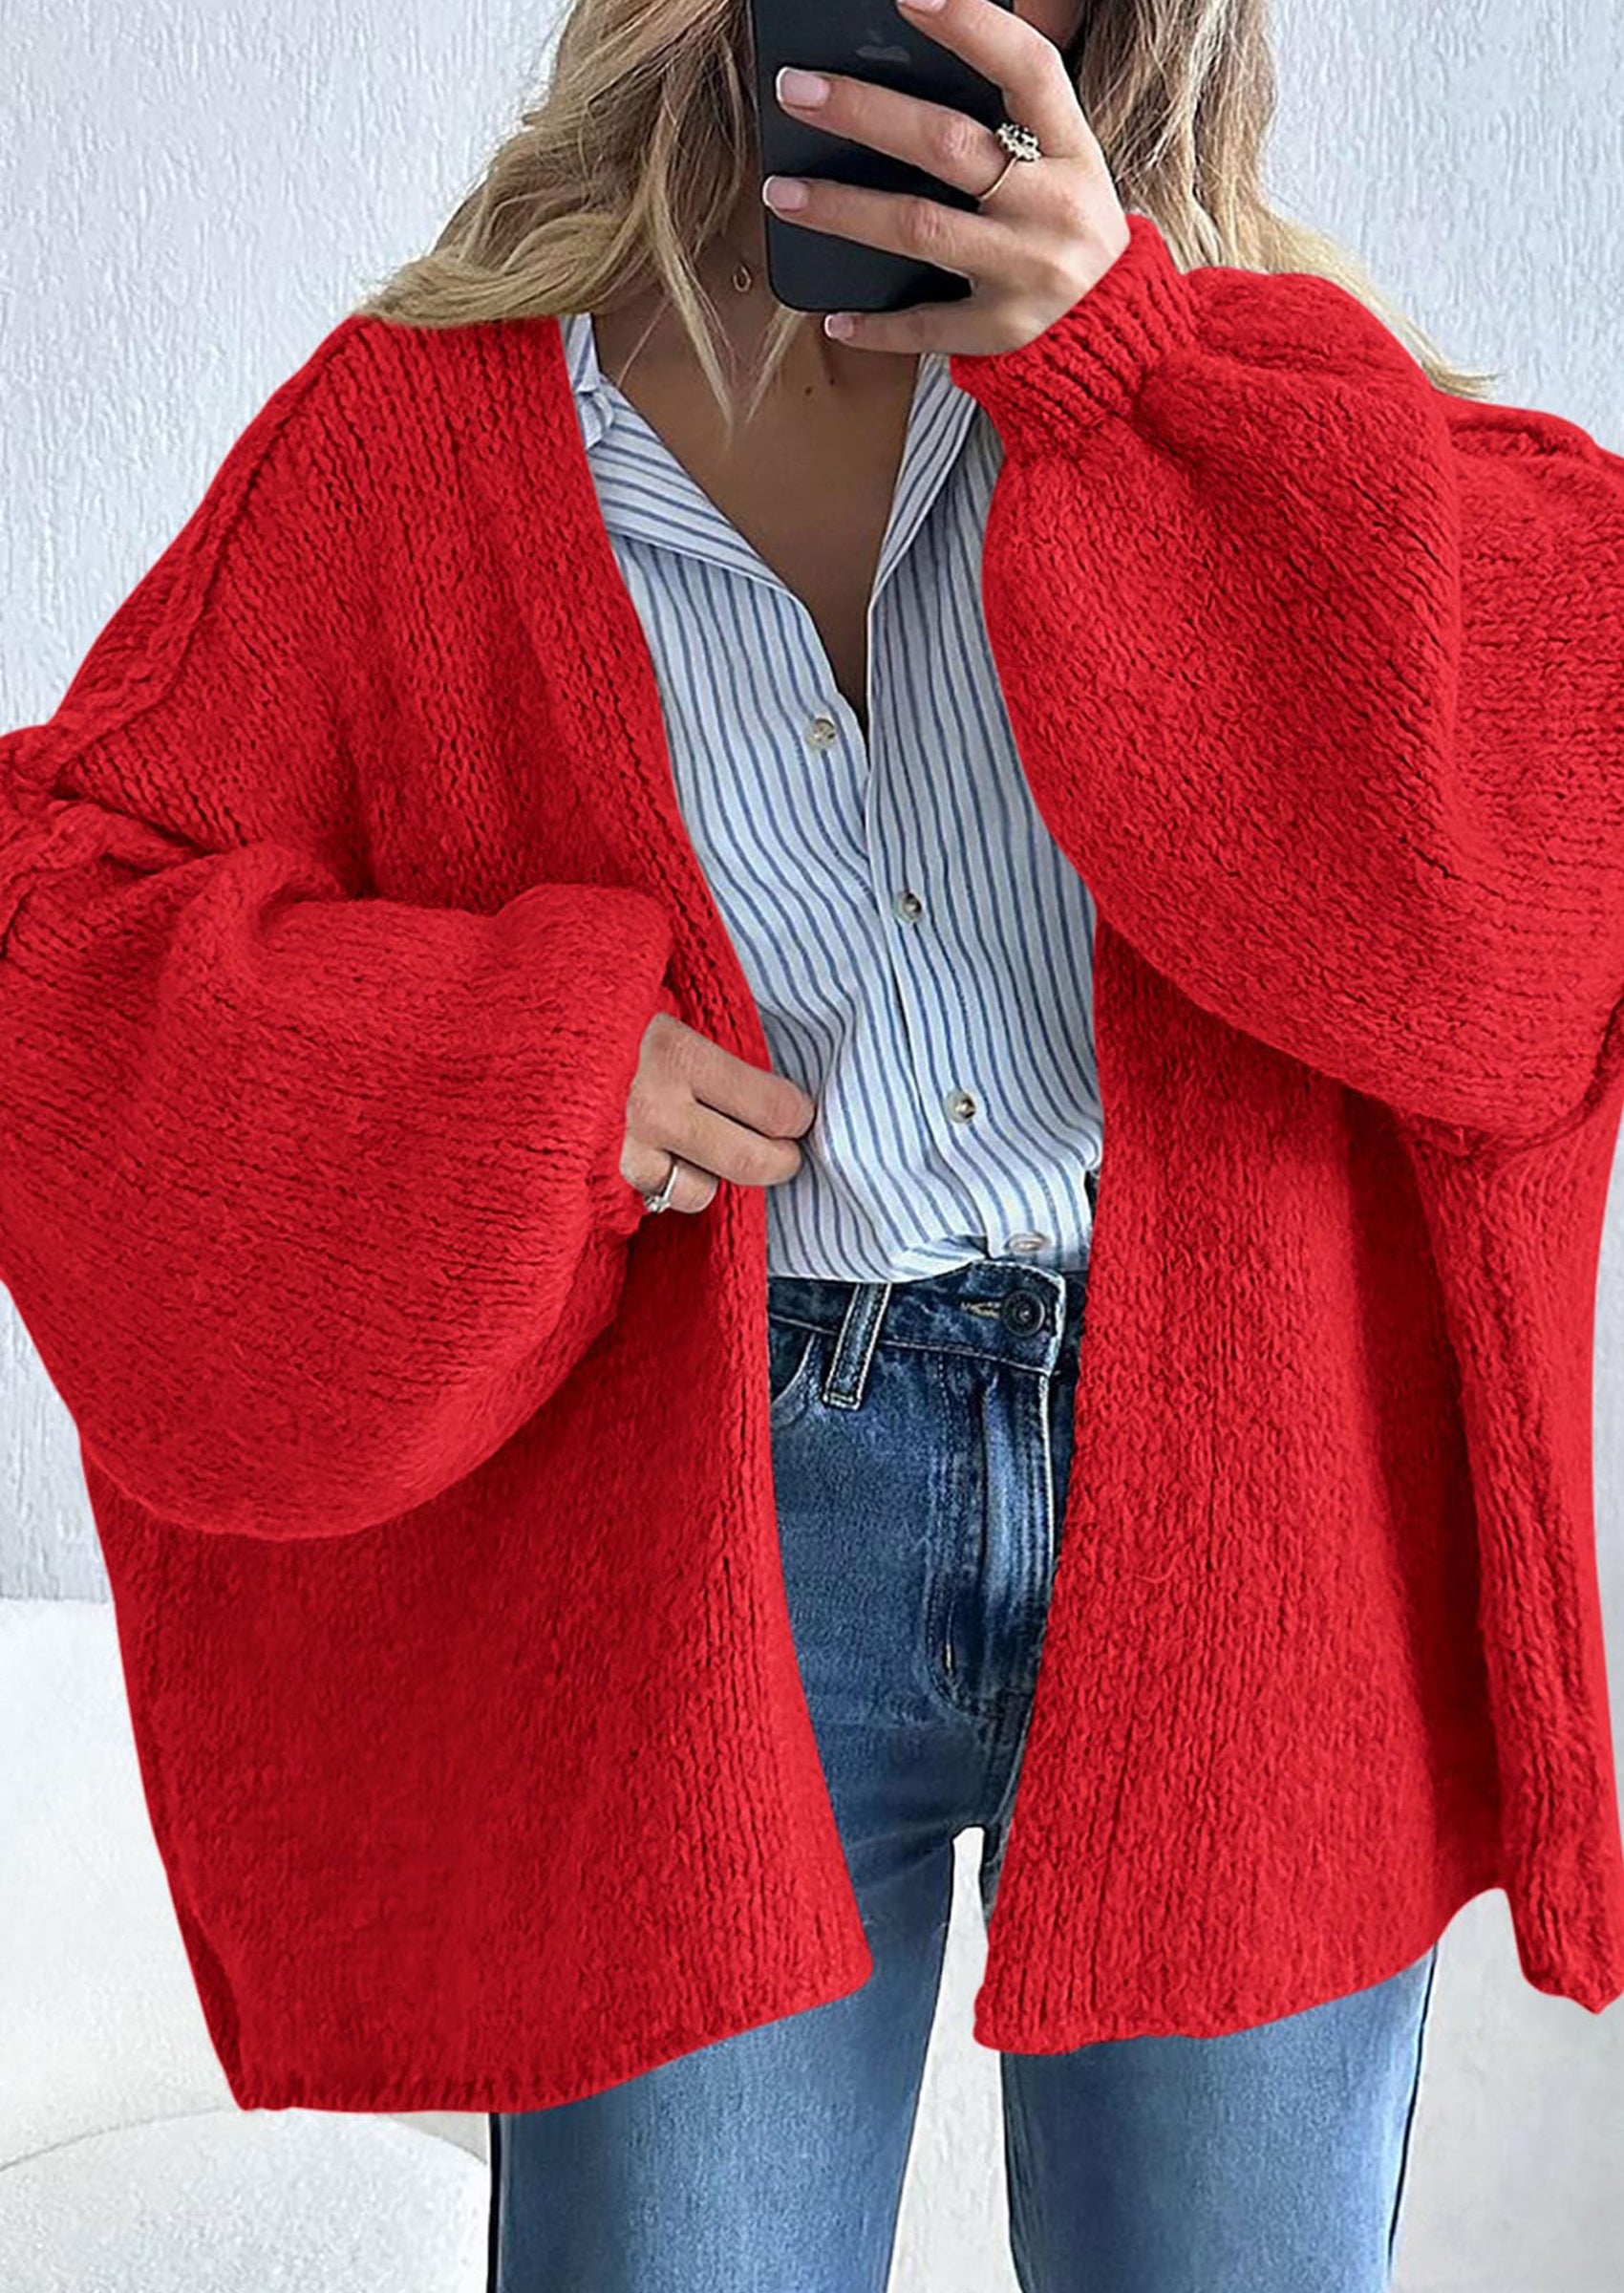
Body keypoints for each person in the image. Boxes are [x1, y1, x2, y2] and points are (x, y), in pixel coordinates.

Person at [4, 4, 1621, 2291]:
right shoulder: (422, 436)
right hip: (704, 1526)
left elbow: (1528, 898)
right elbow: (55, 933)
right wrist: (518, 1070)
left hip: (1238, 1505)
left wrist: (1127, 389)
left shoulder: (1246, 390)